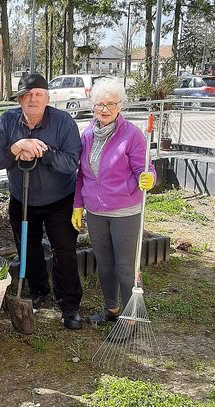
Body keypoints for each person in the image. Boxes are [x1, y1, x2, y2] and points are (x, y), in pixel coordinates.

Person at [0, 73, 83, 330]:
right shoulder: (7, 122)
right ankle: (39, 290)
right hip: (22, 199)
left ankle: (69, 303)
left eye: (38, 94)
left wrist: (44, 152)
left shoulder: (63, 123)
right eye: (27, 95)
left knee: (64, 251)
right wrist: (17, 147)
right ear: (19, 99)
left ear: (47, 98)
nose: (32, 99)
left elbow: (71, 162)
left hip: (59, 200)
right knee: (28, 250)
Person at [71, 78, 156, 324]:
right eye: (99, 104)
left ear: (120, 106)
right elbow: (81, 175)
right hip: (96, 211)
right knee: (104, 264)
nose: (105, 109)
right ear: (92, 106)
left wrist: (149, 177)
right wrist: (78, 204)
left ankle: (130, 317)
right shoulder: (87, 134)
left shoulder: (132, 135)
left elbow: (145, 167)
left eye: (111, 104)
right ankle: (112, 309)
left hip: (125, 210)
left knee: (124, 267)